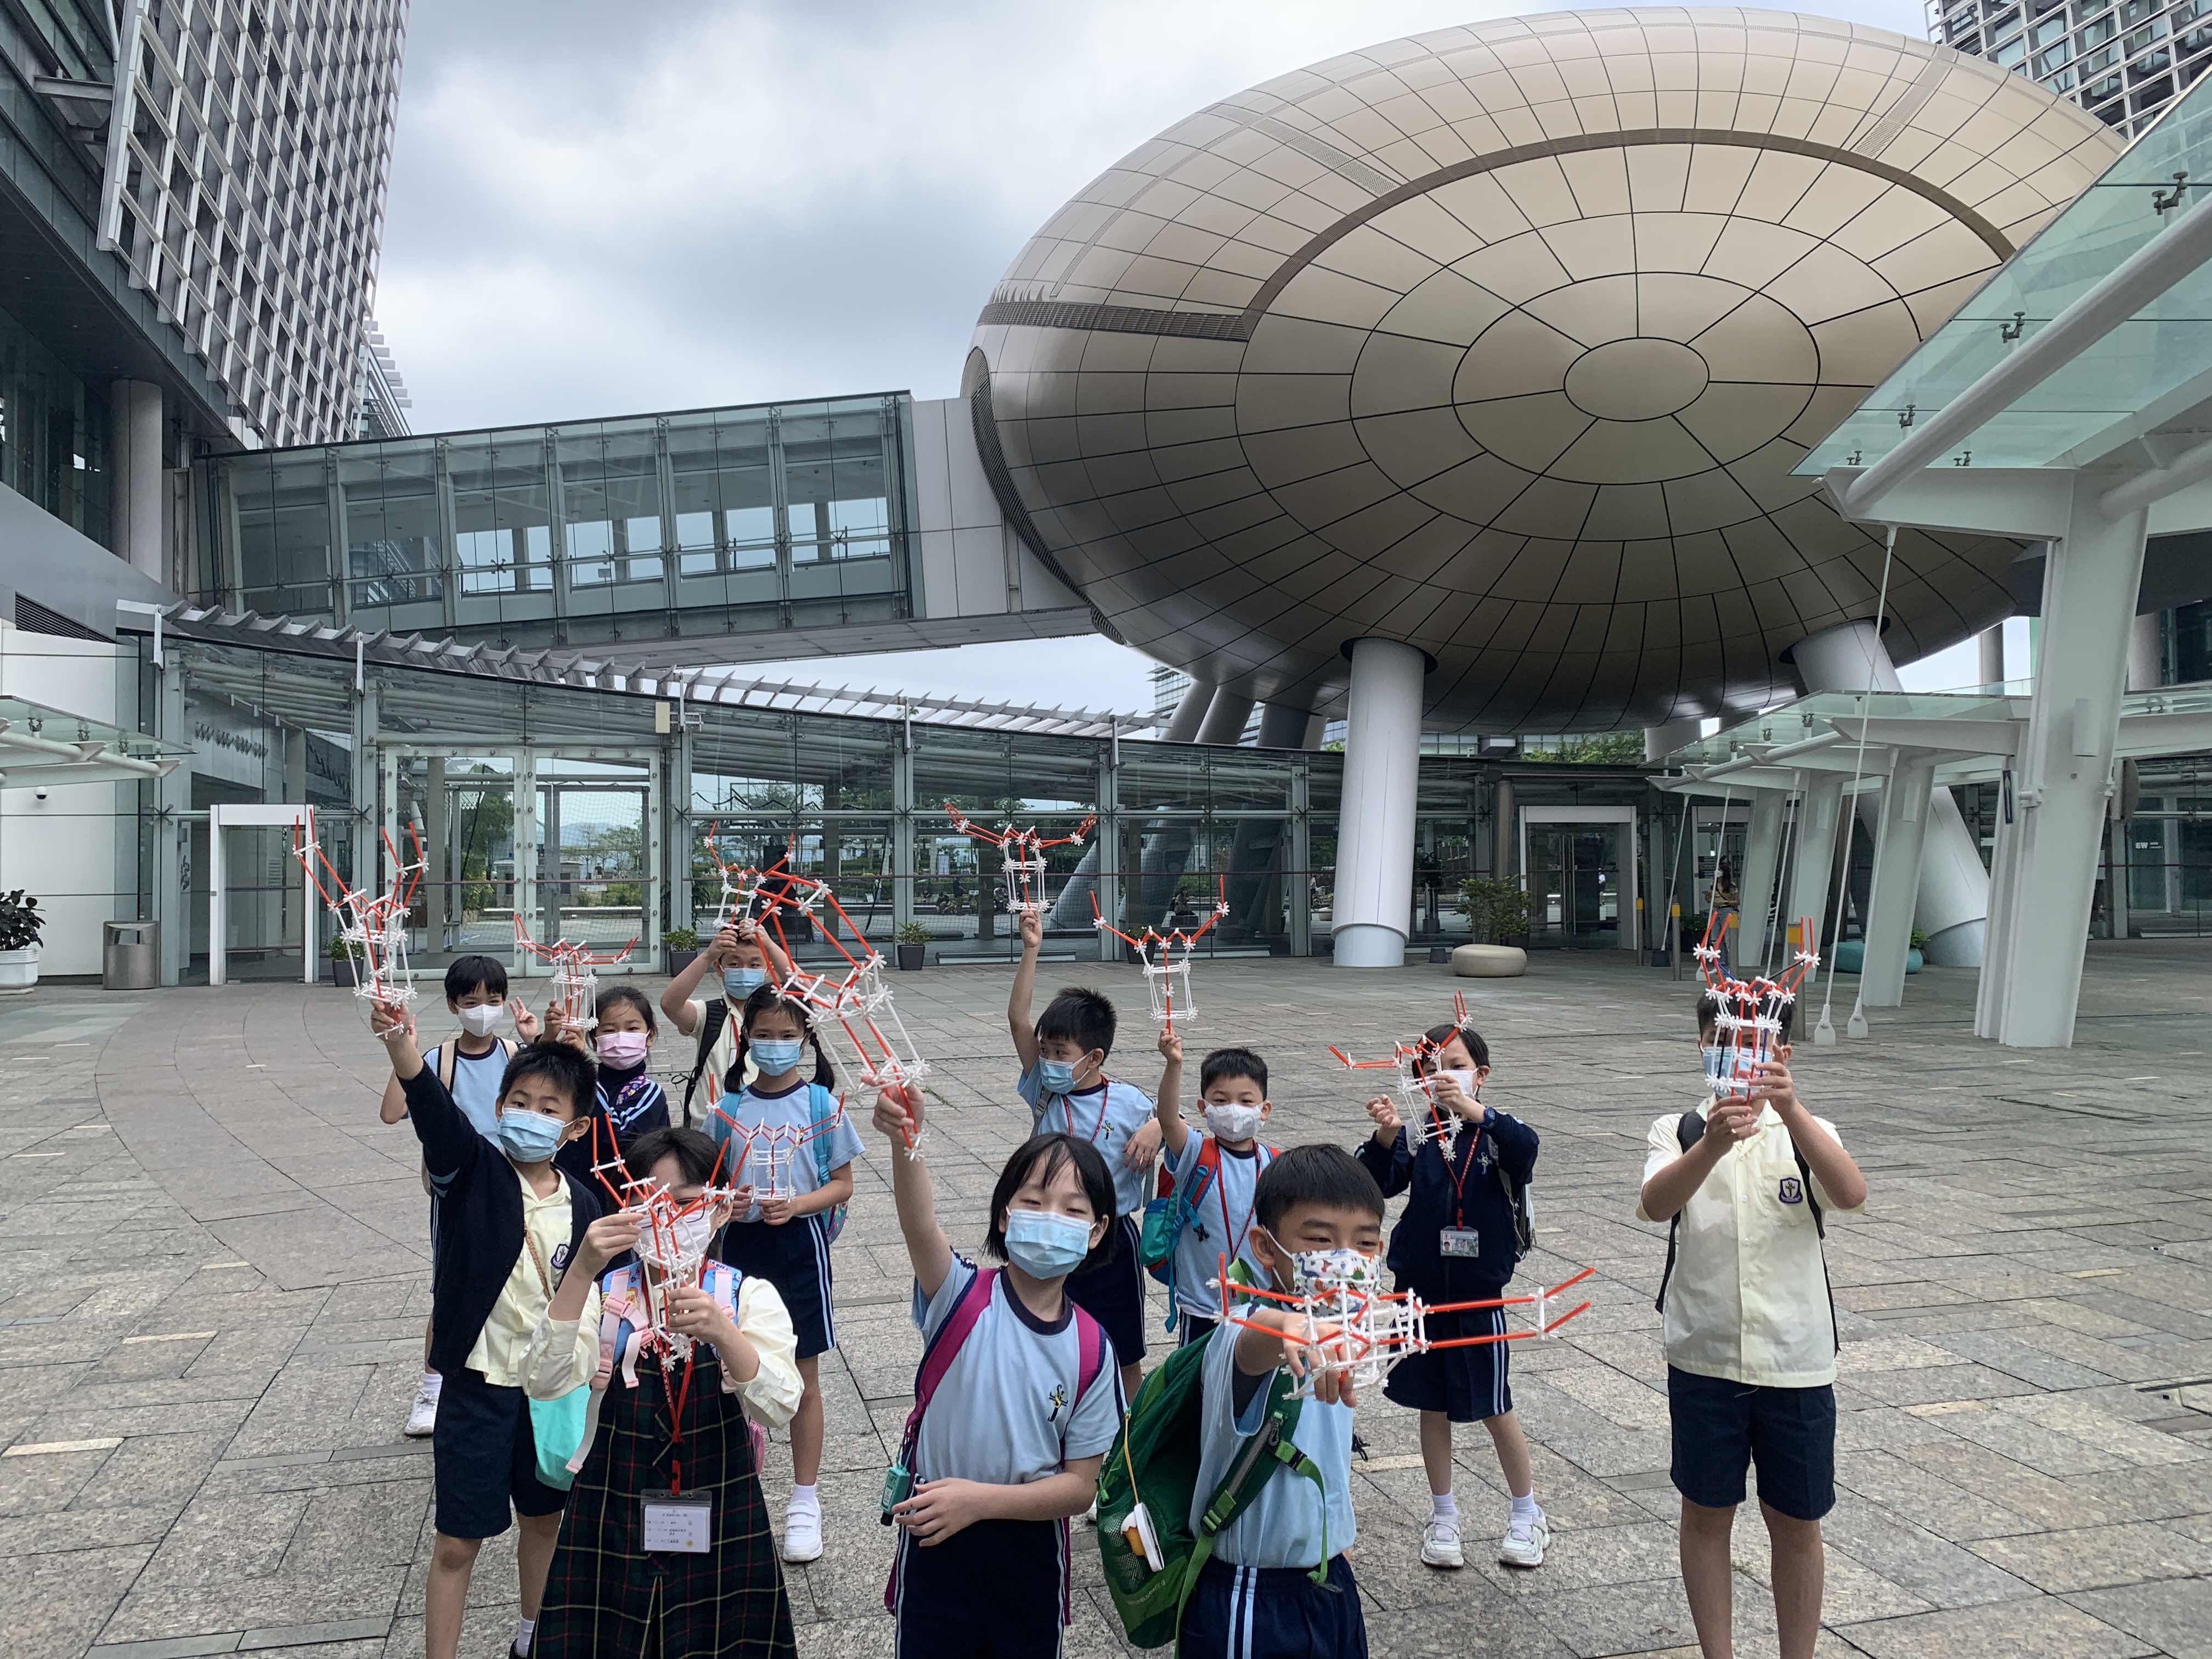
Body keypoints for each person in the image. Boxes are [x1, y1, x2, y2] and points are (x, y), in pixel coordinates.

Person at [1637, 991, 1867, 1659]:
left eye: (1753, 1044)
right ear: (1702, 1046)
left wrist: (1790, 1110)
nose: (1736, 1056)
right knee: (1706, 1513)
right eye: (1721, 1041)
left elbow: (1851, 1194)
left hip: (1795, 1362)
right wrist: (1710, 1145)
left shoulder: (1808, 1131)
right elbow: (1656, 1204)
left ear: (1782, 1053)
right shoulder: (1678, 1129)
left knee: (1797, 1520)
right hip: (1703, 1357)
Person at [372, 1002, 603, 1659]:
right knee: (456, 1542)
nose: (529, 1115)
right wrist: (401, 1047)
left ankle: (533, 1639)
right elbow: (433, 1113)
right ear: (499, 1107)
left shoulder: (583, 1202)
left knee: (545, 1520)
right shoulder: (470, 1170)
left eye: (549, 1109)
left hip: (549, 1393)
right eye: (519, 1102)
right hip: (477, 1388)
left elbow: (590, 1297)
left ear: (576, 1128)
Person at [524, 1125, 805, 1657]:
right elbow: (545, 1379)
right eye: (648, 1204)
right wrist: (581, 1271)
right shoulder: (605, 1295)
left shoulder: (745, 1296)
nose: (667, 1219)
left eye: (684, 1203)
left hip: (720, 1500)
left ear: (720, 1209)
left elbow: (780, 1405)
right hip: (611, 1501)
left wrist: (725, 1334)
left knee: (722, 1640)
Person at [869, 1086, 1123, 1657]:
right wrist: (907, 1140)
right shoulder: (958, 1295)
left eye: (1073, 1210)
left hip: (1029, 1557)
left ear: (1097, 1231)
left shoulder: (1092, 1349)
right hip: (934, 1540)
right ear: (1005, 1215)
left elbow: (1080, 1487)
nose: (1051, 1218)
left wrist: (979, 1502)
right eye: (1033, 1200)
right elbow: (920, 1224)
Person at [1356, 1018, 1545, 1571]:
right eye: (1429, 1068)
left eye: (1455, 1066)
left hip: (1478, 1293)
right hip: (1418, 1292)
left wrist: (1475, 1111)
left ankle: (1526, 1512)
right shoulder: (1419, 1133)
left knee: (1494, 1403)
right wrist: (1386, 1136)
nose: (1441, 1076)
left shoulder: (1497, 1130)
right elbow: (1375, 1185)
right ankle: (1443, 1516)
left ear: (1480, 1074)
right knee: (1431, 1403)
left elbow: (1527, 1150)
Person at [1179, 1144, 1381, 1659]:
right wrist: (1290, 1326)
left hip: (1328, 1574)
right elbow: (1253, 1340)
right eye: (1321, 1240)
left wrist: (1335, 1533)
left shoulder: (1343, 1331)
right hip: (1252, 1591)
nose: (1345, 1261)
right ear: (1265, 1248)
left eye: (1365, 1244)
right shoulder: (1242, 1332)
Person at [703, 983, 862, 1566]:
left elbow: (842, 1185)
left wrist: (796, 1205)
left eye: (787, 1035)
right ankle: (734, 1473)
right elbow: (711, 1186)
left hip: (800, 1246)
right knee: (730, 1366)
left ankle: (804, 1498)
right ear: (746, 1038)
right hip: (740, 1246)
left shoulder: (823, 1106)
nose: (775, 1044)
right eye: (764, 1034)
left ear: (806, 1040)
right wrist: (729, 1201)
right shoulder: (726, 1110)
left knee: (804, 1372)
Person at [1009, 906, 1161, 1396]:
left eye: (1062, 1054)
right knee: (1045, 1335)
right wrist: (1031, 950)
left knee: (1125, 1349)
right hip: (1052, 1232)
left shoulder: (1131, 1102)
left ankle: (1129, 1429)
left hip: (1113, 1240)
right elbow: (1017, 1019)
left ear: (1094, 1057)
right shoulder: (1044, 1090)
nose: (1050, 1061)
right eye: (1046, 1051)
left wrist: (1158, 1125)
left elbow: (1178, 1124)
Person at [379, 955, 530, 1438]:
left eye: (493, 999)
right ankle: (432, 1390)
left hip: (516, 1184)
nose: (483, 1010)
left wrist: (540, 1040)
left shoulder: (517, 1055)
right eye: (471, 1001)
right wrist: (403, 1051)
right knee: (450, 1287)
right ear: (452, 1005)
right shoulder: (437, 1060)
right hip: (459, 1194)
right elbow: (391, 1112)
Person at [1150, 1033, 1276, 1346]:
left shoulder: (1274, 1163)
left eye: (1246, 1101)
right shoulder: (1195, 1153)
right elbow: (1168, 1120)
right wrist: (1174, 1066)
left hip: (1259, 1306)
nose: (1233, 1109)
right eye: (1220, 1101)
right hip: (1202, 1306)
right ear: (1203, 1108)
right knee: (1198, 1375)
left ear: (1264, 1110)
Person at [661, 918, 795, 1124]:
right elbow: (670, 1004)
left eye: (754, 964)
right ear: (719, 968)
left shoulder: (777, 1014)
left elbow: (805, 992)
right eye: (734, 964)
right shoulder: (708, 1014)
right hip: (709, 1127)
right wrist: (707, 956)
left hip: (763, 1125)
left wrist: (768, 944)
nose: (744, 969)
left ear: (767, 968)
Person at [590, 985, 669, 1149]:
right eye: (609, 1030)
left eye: (632, 1029)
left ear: (650, 1036)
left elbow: (615, 1136)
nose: (620, 1037)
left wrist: (584, 1080)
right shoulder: (582, 1082)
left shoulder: (649, 1093)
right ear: (594, 1040)